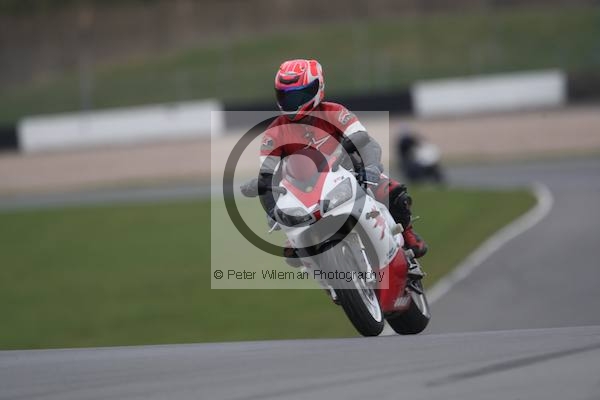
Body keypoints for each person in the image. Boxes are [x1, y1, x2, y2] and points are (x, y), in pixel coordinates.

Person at [243, 59, 428, 265]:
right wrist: (272, 210)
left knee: (391, 190)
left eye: (299, 95)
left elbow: (365, 141)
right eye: (285, 96)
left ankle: (408, 235)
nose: (292, 102)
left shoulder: (334, 111)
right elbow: (266, 175)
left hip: (349, 176)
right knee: (292, 249)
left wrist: (371, 168)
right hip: (305, 191)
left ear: (317, 88)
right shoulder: (274, 133)